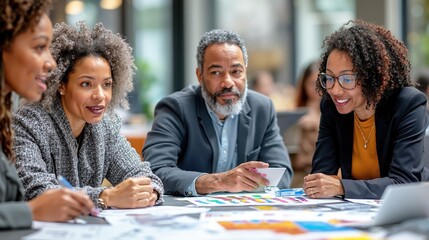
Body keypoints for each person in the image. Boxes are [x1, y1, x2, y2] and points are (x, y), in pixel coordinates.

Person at [13, 21, 164, 210]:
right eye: (86, 84)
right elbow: (35, 191)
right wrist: (104, 197)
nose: (100, 95)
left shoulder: (106, 126)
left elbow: (141, 174)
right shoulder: (29, 123)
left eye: (107, 84)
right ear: (61, 85)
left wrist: (149, 192)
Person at [142, 29, 293, 196]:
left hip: (243, 211)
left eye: (236, 72)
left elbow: (282, 171)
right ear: (200, 75)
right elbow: (155, 170)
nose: (227, 82)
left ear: (245, 73)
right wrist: (218, 182)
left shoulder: (262, 108)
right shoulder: (176, 108)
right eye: (216, 73)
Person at [303, 20, 429, 199]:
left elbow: (404, 182)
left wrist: (342, 187)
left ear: (372, 78)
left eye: (347, 79)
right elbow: (322, 176)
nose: (335, 90)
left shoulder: (407, 104)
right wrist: (322, 185)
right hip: (355, 211)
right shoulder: (331, 107)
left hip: (404, 207)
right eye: (329, 78)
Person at [0, 0, 94, 228]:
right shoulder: (29, 120)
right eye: (40, 47)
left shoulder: (5, 119)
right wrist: (31, 210)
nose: (52, 64)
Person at [291, 60, 321, 186]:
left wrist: (317, 124)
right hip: (298, 175)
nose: (316, 89)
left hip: (321, 175)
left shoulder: (335, 114)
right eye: (311, 83)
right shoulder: (296, 112)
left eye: (320, 83)